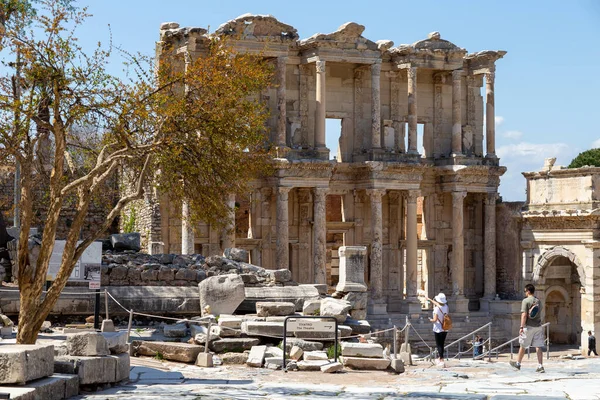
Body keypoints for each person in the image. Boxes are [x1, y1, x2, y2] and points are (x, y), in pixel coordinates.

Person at [510, 284, 545, 373]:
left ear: (528, 291)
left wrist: (521, 326)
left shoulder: (525, 301)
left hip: (528, 326)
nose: (525, 293)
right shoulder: (538, 301)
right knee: (538, 346)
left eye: (525, 291)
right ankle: (540, 366)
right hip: (538, 326)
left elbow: (524, 315)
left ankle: (518, 364)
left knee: (523, 345)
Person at [427, 292, 449, 367]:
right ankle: (440, 357)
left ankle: (441, 359)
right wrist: (429, 299)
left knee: (439, 345)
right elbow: (438, 304)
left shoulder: (436, 309)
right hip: (445, 327)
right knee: (442, 344)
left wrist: (430, 319)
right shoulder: (446, 306)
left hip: (438, 328)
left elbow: (435, 320)